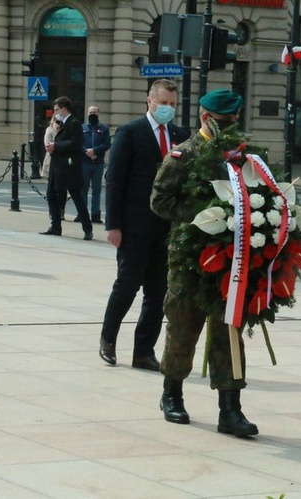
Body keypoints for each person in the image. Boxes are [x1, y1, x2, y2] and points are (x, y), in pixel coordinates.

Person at [150, 89, 259, 438]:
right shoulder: (184, 154)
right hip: (190, 257)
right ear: (204, 117)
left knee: (230, 332)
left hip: (232, 259)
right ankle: (172, 394)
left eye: (231, 122)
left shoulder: (243, 155)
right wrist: (204, 217)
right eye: (221, 122)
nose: (227, 127)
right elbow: (159, 200)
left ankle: (230, 409)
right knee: (183, 325)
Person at [99, 79, 188, 371]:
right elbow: (115, 180)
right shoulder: (130, 132)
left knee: (158, 291)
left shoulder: (179, 135)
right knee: (127, 285)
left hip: (166, 228)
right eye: (163, 103)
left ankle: (143, 351)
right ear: (149, 101)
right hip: (134, 226)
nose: (168, 109)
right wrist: (113, 225)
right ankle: (108, 340)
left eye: (173, 104)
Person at [40, 96, 93, 240]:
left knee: (76, 197)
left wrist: (56, 146)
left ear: (64, 109)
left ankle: (87, 228)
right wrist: (53, 147)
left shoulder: (74, 123)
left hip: (69, 167)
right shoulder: (61, 123)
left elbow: (75, 143)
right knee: (51, 194)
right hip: (57, 166)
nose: (55, 112)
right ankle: (55, 226)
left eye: (57, 109)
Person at [78, 106, 111, 224]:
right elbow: (78, 143)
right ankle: (82, 214)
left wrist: (95, 151)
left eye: (94, 112)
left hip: (98, 163)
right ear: (87, 113)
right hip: (84, 162)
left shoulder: (104, 129)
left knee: (96, 189)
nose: (92, 114)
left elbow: (107, 144)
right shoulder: (82, 128)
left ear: (98, 113)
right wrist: (88, 152)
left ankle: (95, 214)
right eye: (90, 112)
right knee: (83, 188)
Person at [42, 115, 67, 219]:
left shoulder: (66, 129)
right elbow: (47, 145)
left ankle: (61, 210)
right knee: (51, 189)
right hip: (51, 161)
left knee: (63, 189)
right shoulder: (50, 129)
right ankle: (53, 211)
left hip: (63, 163)